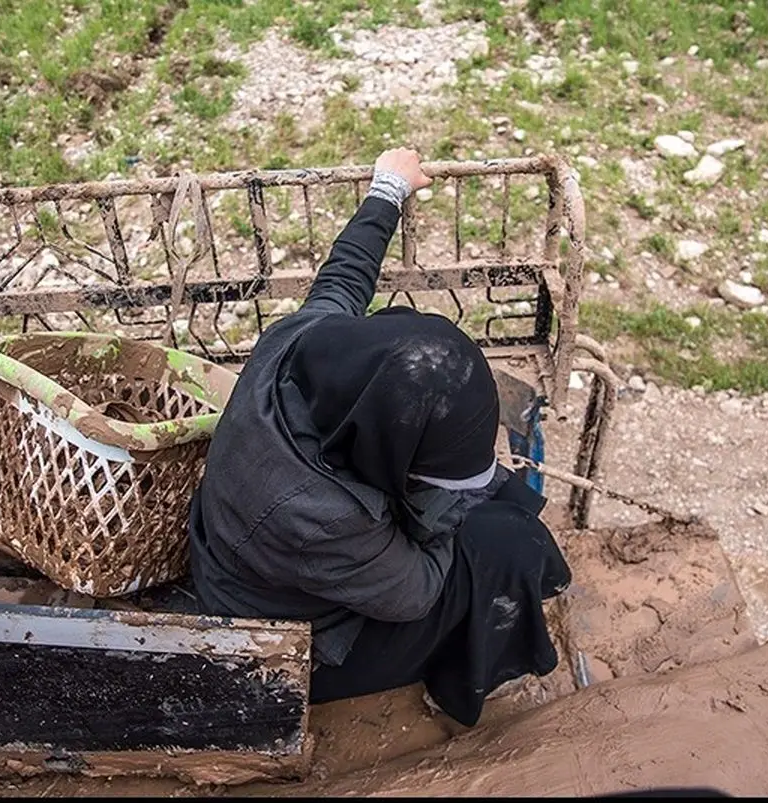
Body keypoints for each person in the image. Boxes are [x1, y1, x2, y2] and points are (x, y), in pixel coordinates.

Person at [188, 147, 571, 728]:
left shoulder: (304, 347)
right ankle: (468, 679)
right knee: (505, 546)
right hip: (285, 639)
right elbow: (416, 592)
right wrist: (442, 522)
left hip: (260, 556)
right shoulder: (320, 517)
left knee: (495, 501)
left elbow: (343, 280)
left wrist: (387, 189)